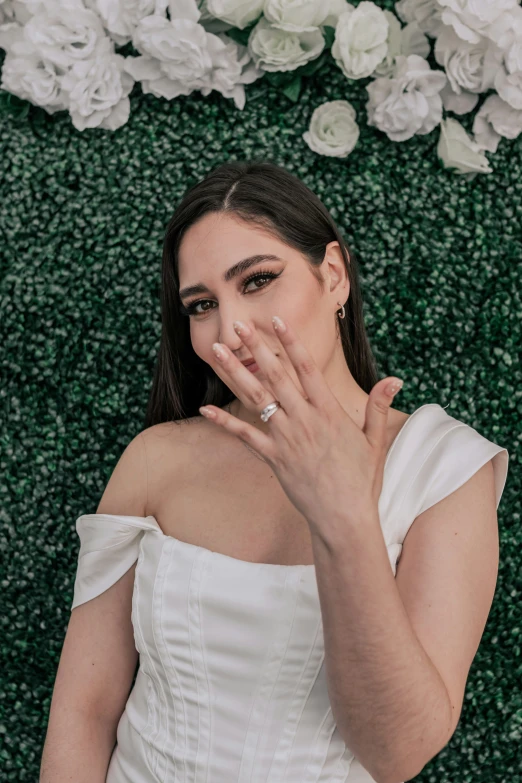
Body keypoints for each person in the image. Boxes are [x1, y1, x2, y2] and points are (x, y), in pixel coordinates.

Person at [40, 161, 509, 783]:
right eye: (202, 304)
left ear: (334, 275)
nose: (231, 330)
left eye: (258, 280)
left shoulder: (444, 469)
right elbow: (83, 712)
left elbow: (397, 753)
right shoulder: (157, 458)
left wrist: (342, 516)